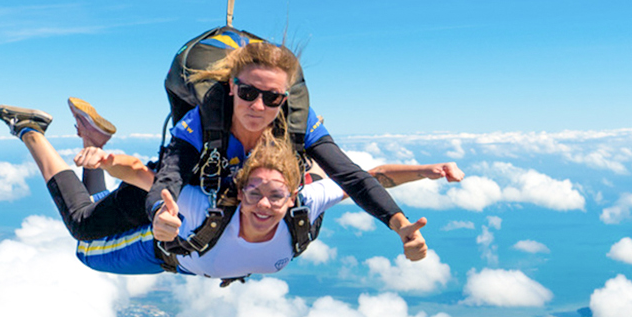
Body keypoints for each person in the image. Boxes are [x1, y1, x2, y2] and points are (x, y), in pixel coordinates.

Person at [0, 100, 463, 278]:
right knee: (82, 235)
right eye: (254, 193)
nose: (263, 204)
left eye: (276, 196)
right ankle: (32, 132)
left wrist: (425, 171)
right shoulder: (205, 205)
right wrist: (107, 161)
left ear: (293, 191)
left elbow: (369, 178)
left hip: (169, 199)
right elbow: (142, 173)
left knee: (97, 212)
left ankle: (90, 138)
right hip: (166, 217)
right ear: (239, 188)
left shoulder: (305, 199)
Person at [145, 39, 435, 261]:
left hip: (252, 217)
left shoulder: (298, 123)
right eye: (247, 93)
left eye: (272, 98)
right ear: (232, 87)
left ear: (284, 98)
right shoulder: (202, 120)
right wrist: (160, 212)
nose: (258, 107)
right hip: (191, 210)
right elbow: (169, 177)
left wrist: (399, 225)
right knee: (104, 233)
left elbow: (351, 176)